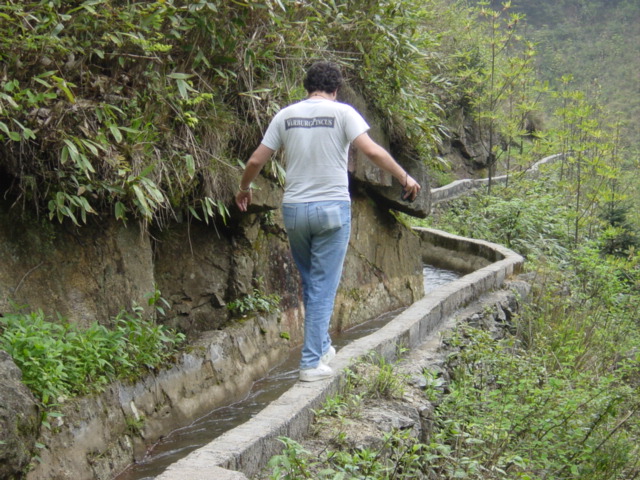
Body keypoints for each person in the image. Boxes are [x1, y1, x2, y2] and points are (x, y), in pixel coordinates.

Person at [235, 61, 420, 382]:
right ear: (335, 89)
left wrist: (244, 188)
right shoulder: (343, 113)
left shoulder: (286, 115)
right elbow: (372, 152)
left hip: (295, 211)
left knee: (311, 283)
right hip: (332, 210)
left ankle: (321, 347)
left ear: (307, 87)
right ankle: (310, 363)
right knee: (323, 286)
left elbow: (255, 160)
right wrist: (403, 176)